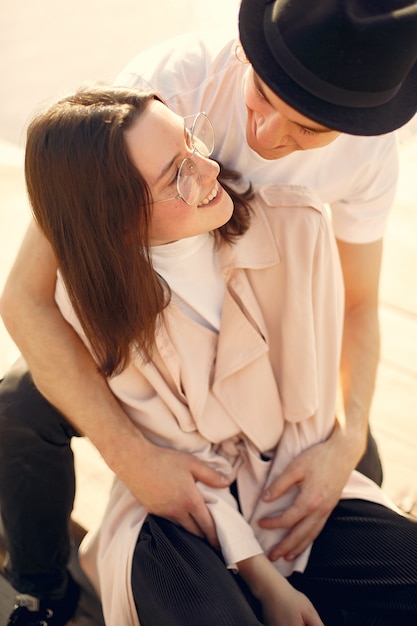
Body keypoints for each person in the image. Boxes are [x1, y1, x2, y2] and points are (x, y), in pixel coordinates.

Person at [1, 0, 417, 623]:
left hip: (262, 337)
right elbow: (28, 295)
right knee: (18, 412)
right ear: (248, 54)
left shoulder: (359, 162)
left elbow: (359, 305)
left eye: (306, 131)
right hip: (136, 323)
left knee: (351, 475)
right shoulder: (160, 96)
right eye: (262, 99)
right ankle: (39, 588)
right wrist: (133, 458)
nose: (266, 138)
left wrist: (347, 435)